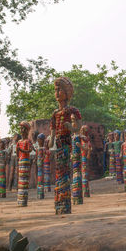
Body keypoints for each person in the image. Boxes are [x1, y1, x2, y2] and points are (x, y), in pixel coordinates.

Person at [49, 76, 82, 214]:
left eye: (59, 90)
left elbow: (78, 127)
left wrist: (71, 127)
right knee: (59, 170)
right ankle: (60, 203)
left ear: (67, 93)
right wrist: (50, 141)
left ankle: (64, 203)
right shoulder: (55, 113)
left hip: (66, 143)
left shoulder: (72, 110)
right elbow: (53, 130)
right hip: (58, 143)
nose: (57, 93)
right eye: (55, 90)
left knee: (64, 169)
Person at [16, 121, 35, 206]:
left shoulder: (28, 141)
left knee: (24, 180)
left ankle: (23, 201)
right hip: (21, 161)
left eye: (23, 128)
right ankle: (20, 200)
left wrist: (22, 151)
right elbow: (17, 152)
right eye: (21, 128)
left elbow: (30, 150)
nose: (21, 130)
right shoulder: (19, 141)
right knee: (21, 180)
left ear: (27, 130)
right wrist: (18, 156)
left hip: (25, 161)